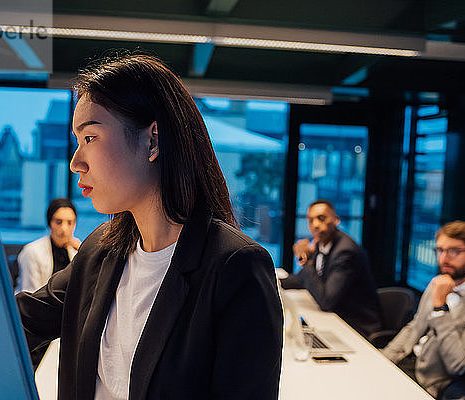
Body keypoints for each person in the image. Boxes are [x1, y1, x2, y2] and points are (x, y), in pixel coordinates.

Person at [15, 54, 283, 400]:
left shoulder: (236, 268)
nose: (75, 162)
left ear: (152, 140)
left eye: (90, 138)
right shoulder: (100, 250)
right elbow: (20, 322)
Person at [383, 221, 465, 399]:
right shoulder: (441, 281)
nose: (444, 258)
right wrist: (384, 358)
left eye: (454, 251)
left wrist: (440, 309)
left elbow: (460, 364)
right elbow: (415, 326)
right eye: (440, 250)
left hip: (431, 382)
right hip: (405, 362)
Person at [278, 199, 381, 337]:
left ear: (336, 220)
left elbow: (326, 301)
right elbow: (304, 279)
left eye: (321, 218)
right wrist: (275, 281)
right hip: (335, 320)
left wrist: (306, 262)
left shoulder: (345, 252)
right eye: (310, 220)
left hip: (357, 328)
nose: (315, 225)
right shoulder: (322, 244)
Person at [15, 198, 81, 294]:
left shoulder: (77, 251)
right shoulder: (32, 251)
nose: (64, 228)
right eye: (59, 222)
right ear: (50, 223)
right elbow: (31, 294)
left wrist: (83, 252)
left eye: (70, 223)